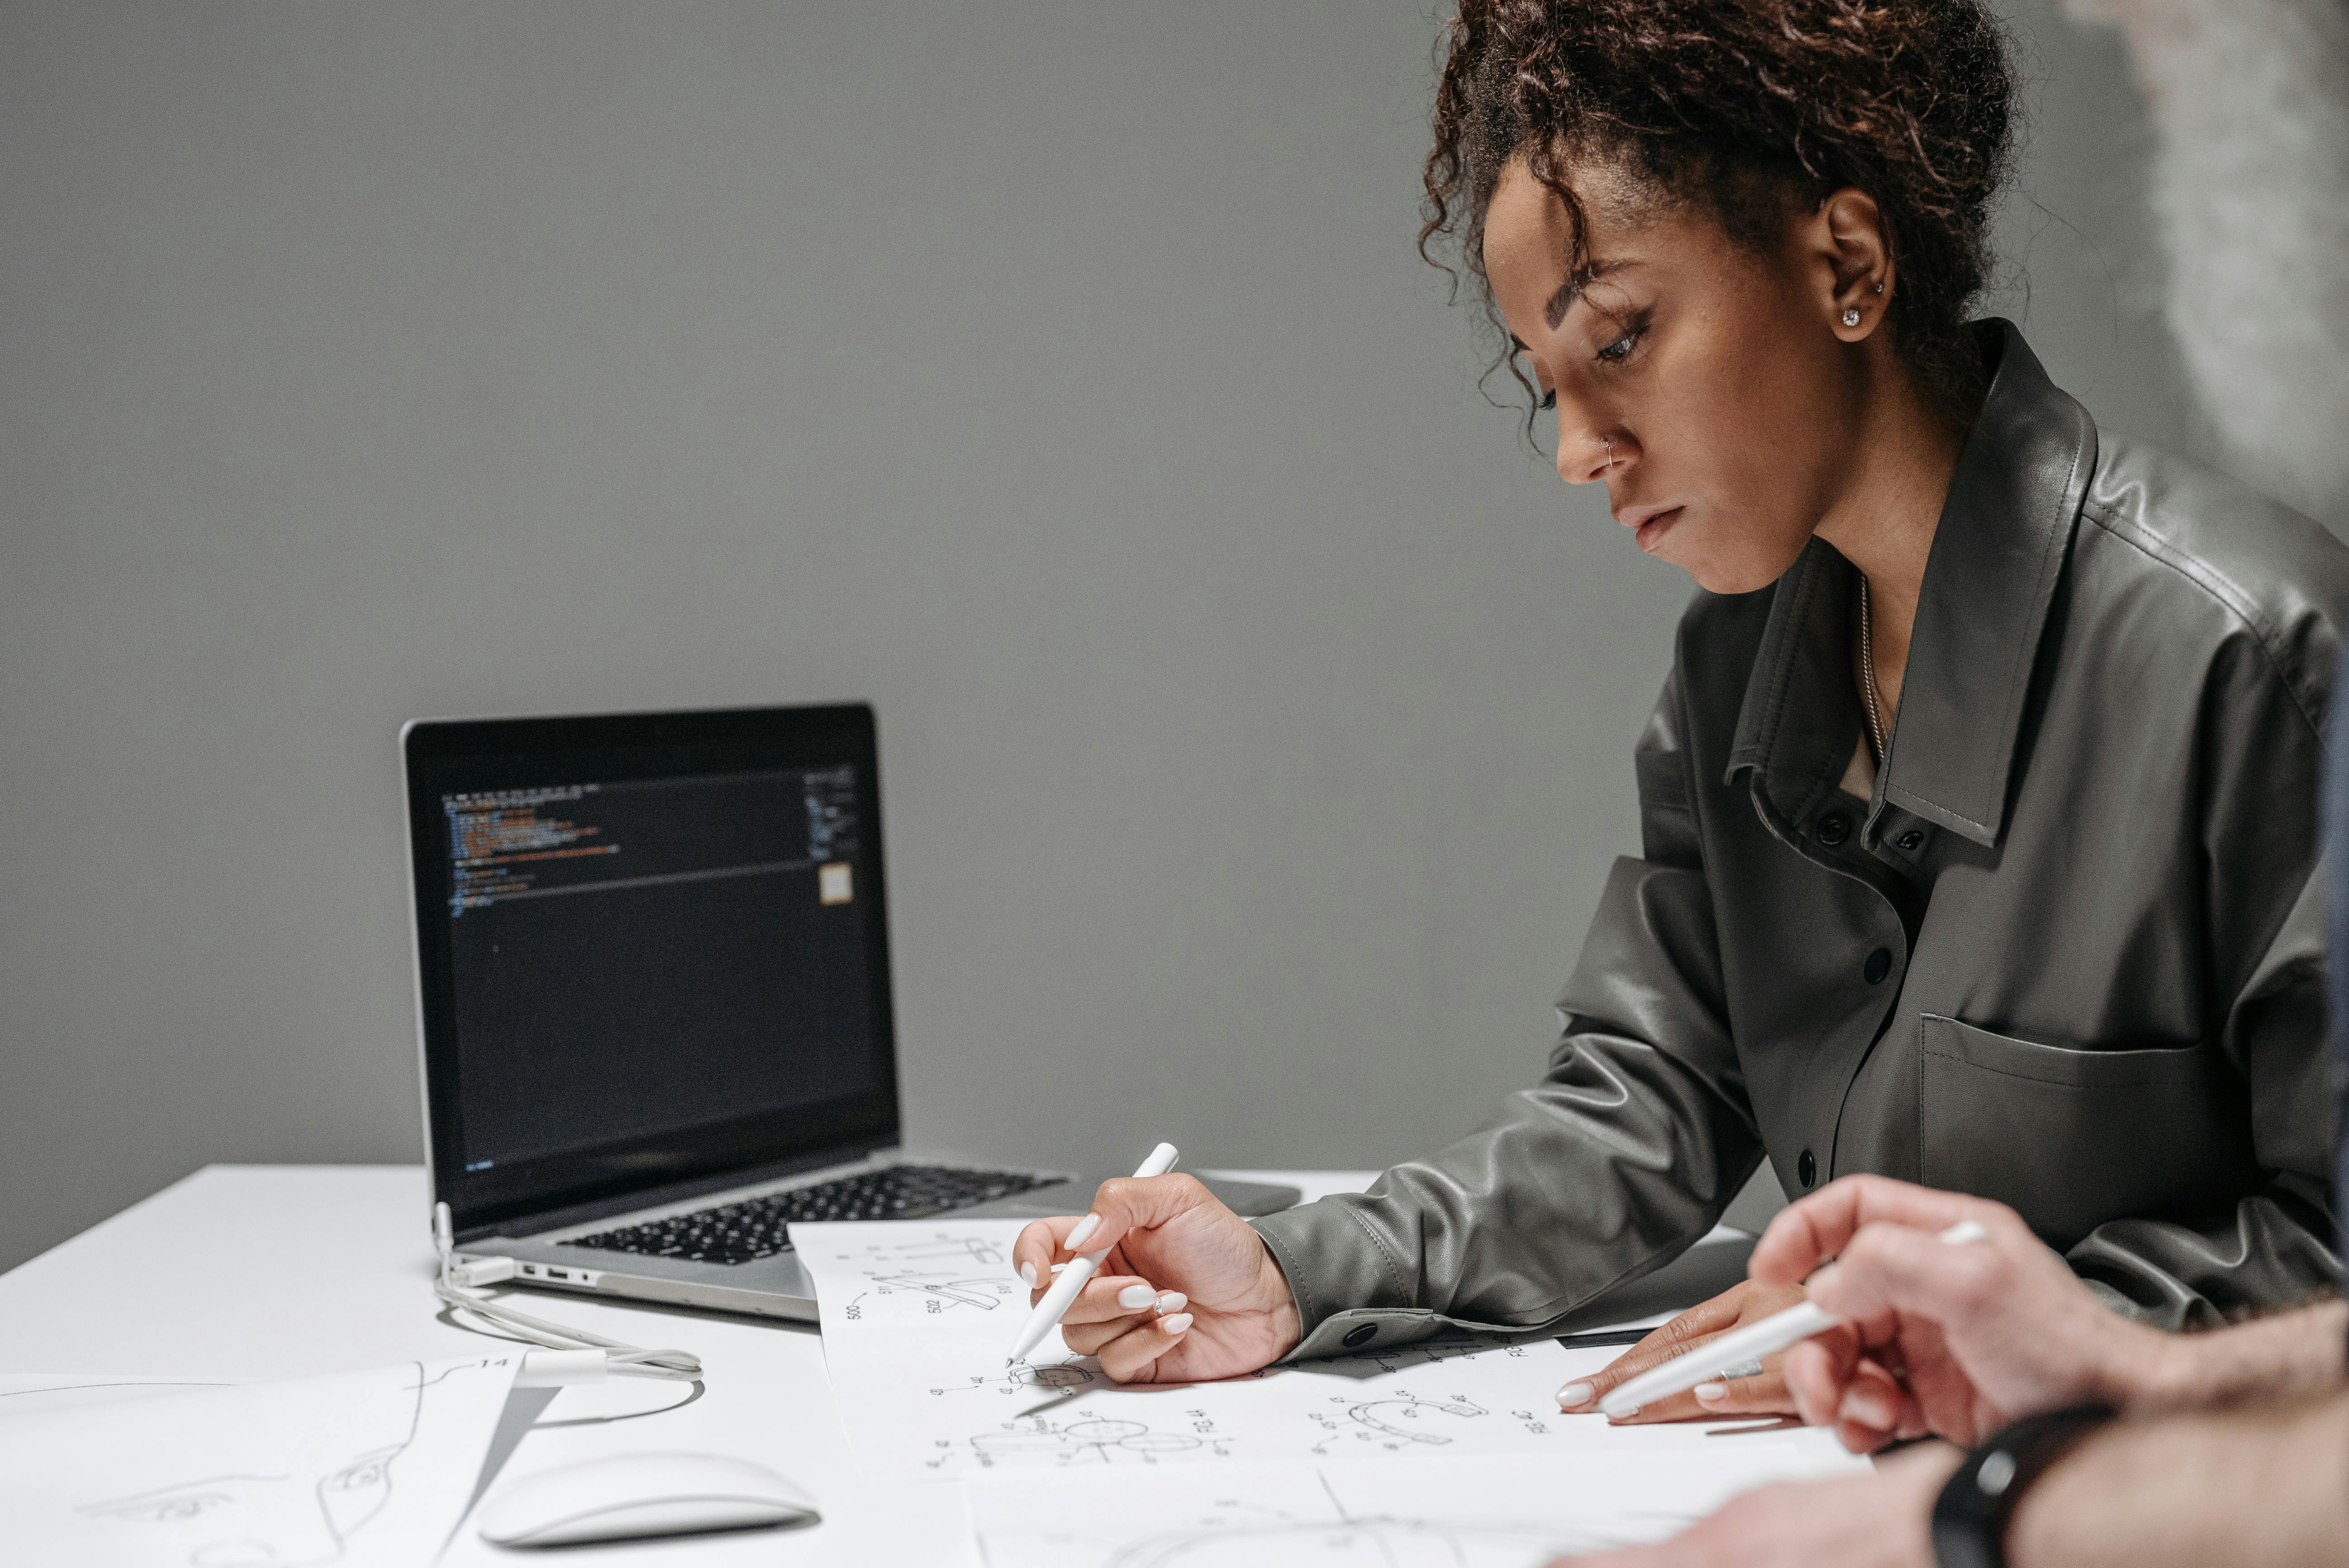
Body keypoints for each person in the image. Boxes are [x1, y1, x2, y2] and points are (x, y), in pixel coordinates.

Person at [1013, 0, 2345, 1414]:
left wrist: (1925, 1329)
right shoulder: (1736, 674)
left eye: (1625, 339)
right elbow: (1645, 1099)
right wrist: (1294, 1271)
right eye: (1553, 394)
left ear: (1848, 264)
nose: (1583, 452)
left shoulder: (2255, 655)